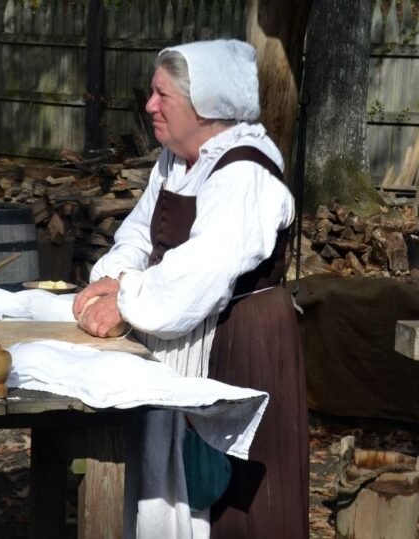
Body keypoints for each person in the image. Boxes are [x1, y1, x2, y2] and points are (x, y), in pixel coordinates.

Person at [72, 40, 308, 538]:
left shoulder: (244, 171)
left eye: (162, 95)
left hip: (240, 341)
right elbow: (140, 232)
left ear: (207, 107)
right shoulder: (176, 159)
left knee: (237, 504)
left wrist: (128, 301)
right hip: (180, 331)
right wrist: (113, 278)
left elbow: (203, 268)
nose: (149, 105)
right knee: (173, 482)